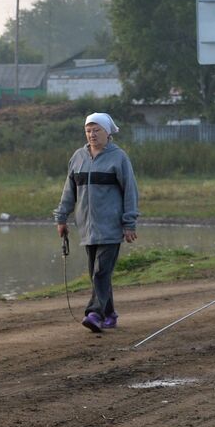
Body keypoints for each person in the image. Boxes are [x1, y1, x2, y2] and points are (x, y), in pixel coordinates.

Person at [55, 112, 139, 332]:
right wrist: (61, 218)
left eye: (96, 130)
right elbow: (69, 191)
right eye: (88, 130)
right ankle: (110, 313)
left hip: (111, 226)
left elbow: (130, 191)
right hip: (87, 228)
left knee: (100, 272)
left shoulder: (119, 158)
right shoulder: (78, 157)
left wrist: (129, 223)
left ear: (107, 132)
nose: (92, 134)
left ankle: (94, 314)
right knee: (96, 272)